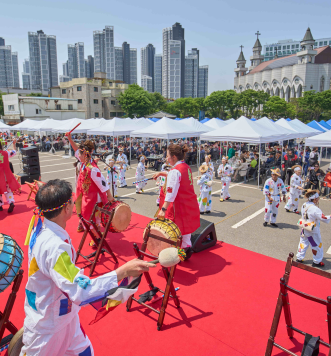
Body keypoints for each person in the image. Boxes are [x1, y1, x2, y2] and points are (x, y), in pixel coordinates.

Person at [22, 180, 153, 355]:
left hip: (63, 315)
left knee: (84, 352)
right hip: (50, 324)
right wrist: (122, 272)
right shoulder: (54, 246)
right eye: (71, 200)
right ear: (66, 208)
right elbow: (79, 290)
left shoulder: (41, 227)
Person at [153, 143, 201, 257]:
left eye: (168, 155)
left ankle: (175, 254)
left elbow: (170, 192)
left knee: (174, 230)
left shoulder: (176, 171)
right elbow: (173, 175)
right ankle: (186, 250)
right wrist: (161, 173)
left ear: (174, 157)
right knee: (186, 231)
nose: (166, 158)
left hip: (179, 206)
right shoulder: (185, 166)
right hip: (188, 203)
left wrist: (163, 209)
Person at [66, 135, 114, 232]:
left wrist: (109, 195)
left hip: (94, 197)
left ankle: (96, 237)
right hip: (87, 195)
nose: (77, 156)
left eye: (79, 154)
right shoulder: (85, 163)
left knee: (91, 216)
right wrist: (70, 138)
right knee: (89, 215)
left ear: (84, 154)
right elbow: (76, 149)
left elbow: (103, 182)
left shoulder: (91, 168)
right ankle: (95, 234)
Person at [296, 190, 331, 266]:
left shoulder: (304, 204)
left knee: (303, 243)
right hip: (312, 230)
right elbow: (324, 218)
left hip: (304, 228)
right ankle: (316, 261)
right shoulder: (315, 209)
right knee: (316, 245)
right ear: (314, 199)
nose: (318, 199)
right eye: (317, 198)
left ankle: (299, 257)